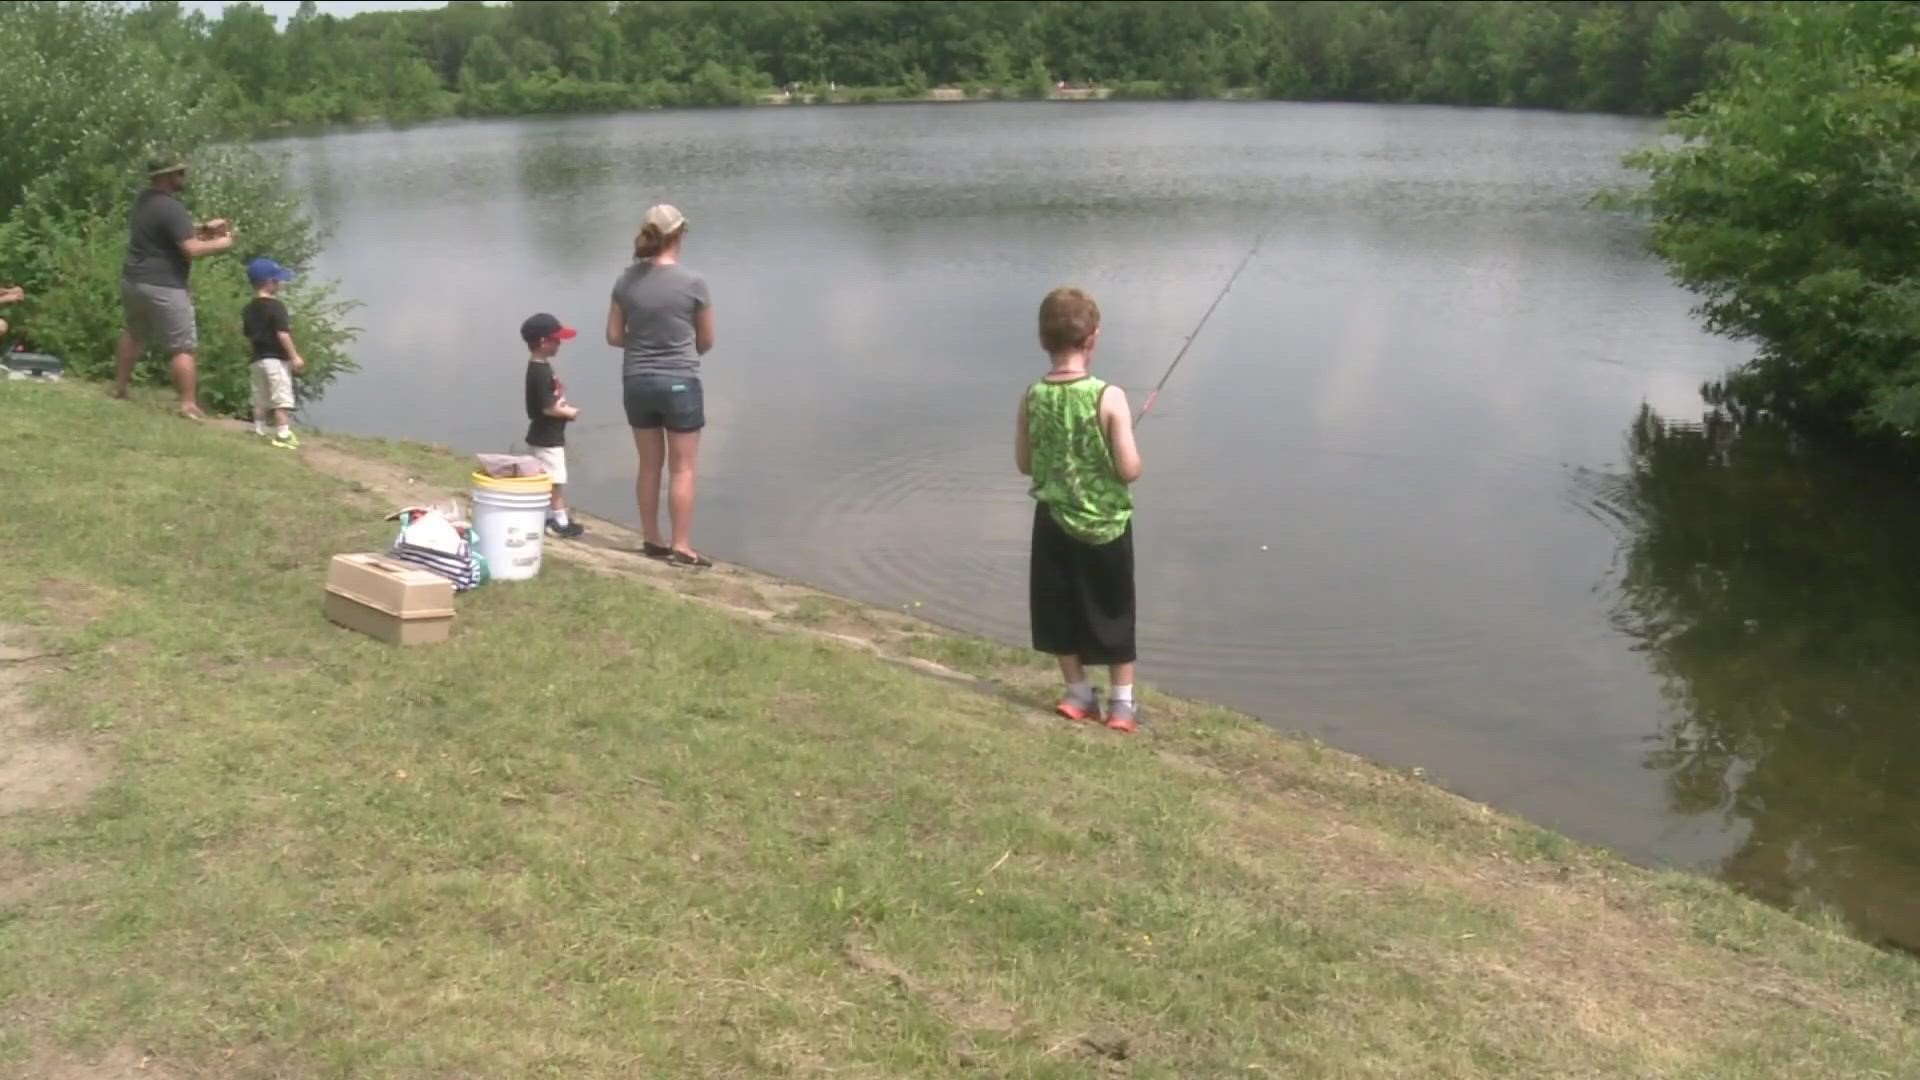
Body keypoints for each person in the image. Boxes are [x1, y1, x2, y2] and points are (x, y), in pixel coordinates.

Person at [1014, 287, 1144, 733]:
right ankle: (1122, 704)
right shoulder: (1109, 396)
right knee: (1113, 607)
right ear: (1093, 337)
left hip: (1053, 523)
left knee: (1059, 607)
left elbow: (1025, 464)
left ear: (1042, 339)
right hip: (1106, 525)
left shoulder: (1032, 395)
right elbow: (1129, 470)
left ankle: (1078, 694)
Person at [607, 203, 714, 567]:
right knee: (682, 468)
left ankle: (652, 539)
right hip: (680, 381)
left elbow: (612, 336)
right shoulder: (693, 282)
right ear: (678, 235)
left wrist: (642, 345)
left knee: (649, 465)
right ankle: (681, 545)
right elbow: (707, 340)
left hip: (636, 380)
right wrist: (682, 349)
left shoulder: (626, 280)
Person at [111, 156, 234, 419]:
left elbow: (170, 233)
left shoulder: (144, 200)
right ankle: (187, 405)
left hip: (133, 280)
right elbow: (190, 249)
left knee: (133, 334)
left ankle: (119, 388)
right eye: (180, 172)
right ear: (168, 176)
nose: (184, 176)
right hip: (164, 285)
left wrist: (203, 228)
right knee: (182, 347)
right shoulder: (172, 207)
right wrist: (223, 243)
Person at [520, 312, 584, 539]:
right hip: (547, 437)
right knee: (556, 480)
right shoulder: (539, 371)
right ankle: (559, 522)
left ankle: (545, 515)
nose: (560, 344)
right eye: (556, 339)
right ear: (543, 342)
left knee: (544, 478)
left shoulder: (540, 367)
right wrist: (569, 412)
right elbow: (547, 408)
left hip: (543, 434)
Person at [241, 257, 304, 449]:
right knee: (281, 399)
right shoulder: (277, 307)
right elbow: (282, 334)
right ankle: (283, 434)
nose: (279, 284)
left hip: (257, 360)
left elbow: (248, 334)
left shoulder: (248, 309)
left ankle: (259, 429)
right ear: (270, 283)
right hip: (276, 360)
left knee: (260, 398)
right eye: (277, 280)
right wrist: (294, 356)